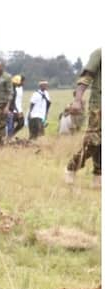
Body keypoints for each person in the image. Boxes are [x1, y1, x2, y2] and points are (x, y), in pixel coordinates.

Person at [65, 48, 101, 187]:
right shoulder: (99, 53)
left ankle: (98, 174)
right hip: (99, 105)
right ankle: (71, 167)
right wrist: (78, 100)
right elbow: (86, 78)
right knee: (92, 141)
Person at [7, 74, 26, 138]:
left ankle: (11, 135)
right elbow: (10, 100)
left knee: (21, 123)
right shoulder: (12, 88)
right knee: (10, 125)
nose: (23, 83)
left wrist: (18, 110)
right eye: (23, 82)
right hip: (10, 109)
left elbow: (17, 100)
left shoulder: (19, 88)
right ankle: (8, 137)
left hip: (17, 108)